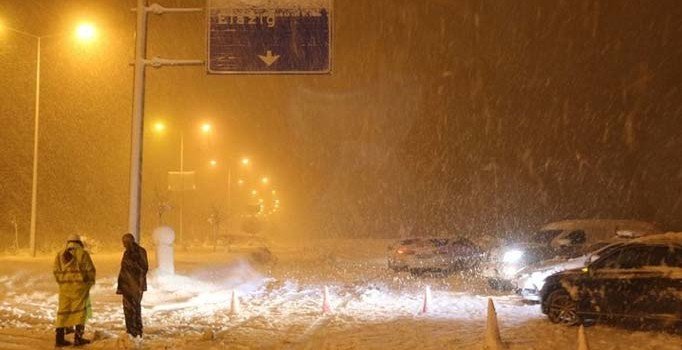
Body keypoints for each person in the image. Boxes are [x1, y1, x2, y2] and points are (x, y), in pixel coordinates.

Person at [53, 234, 96, 346]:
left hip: (64, 289)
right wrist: (88, 283)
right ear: (79, 242)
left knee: (63, 313)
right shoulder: (82, 253)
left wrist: (62, 282)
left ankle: (59, 339)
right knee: (80, 313)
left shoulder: (60, 254)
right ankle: (78, 338)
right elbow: (90, 270)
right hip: (79, 288)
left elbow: (55, 270)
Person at [116, 233, 149, 338]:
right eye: (123, 242)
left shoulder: (140, 252)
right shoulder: (127, 252)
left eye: (125, 242)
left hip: (135, 285)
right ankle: (130, 330)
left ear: (131, 241)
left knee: (135, 308)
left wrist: (134, 281)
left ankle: (137, 330)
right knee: (128, 309)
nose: (124, 245)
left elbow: (143, 268)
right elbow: (124, 270)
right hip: (127, 286)